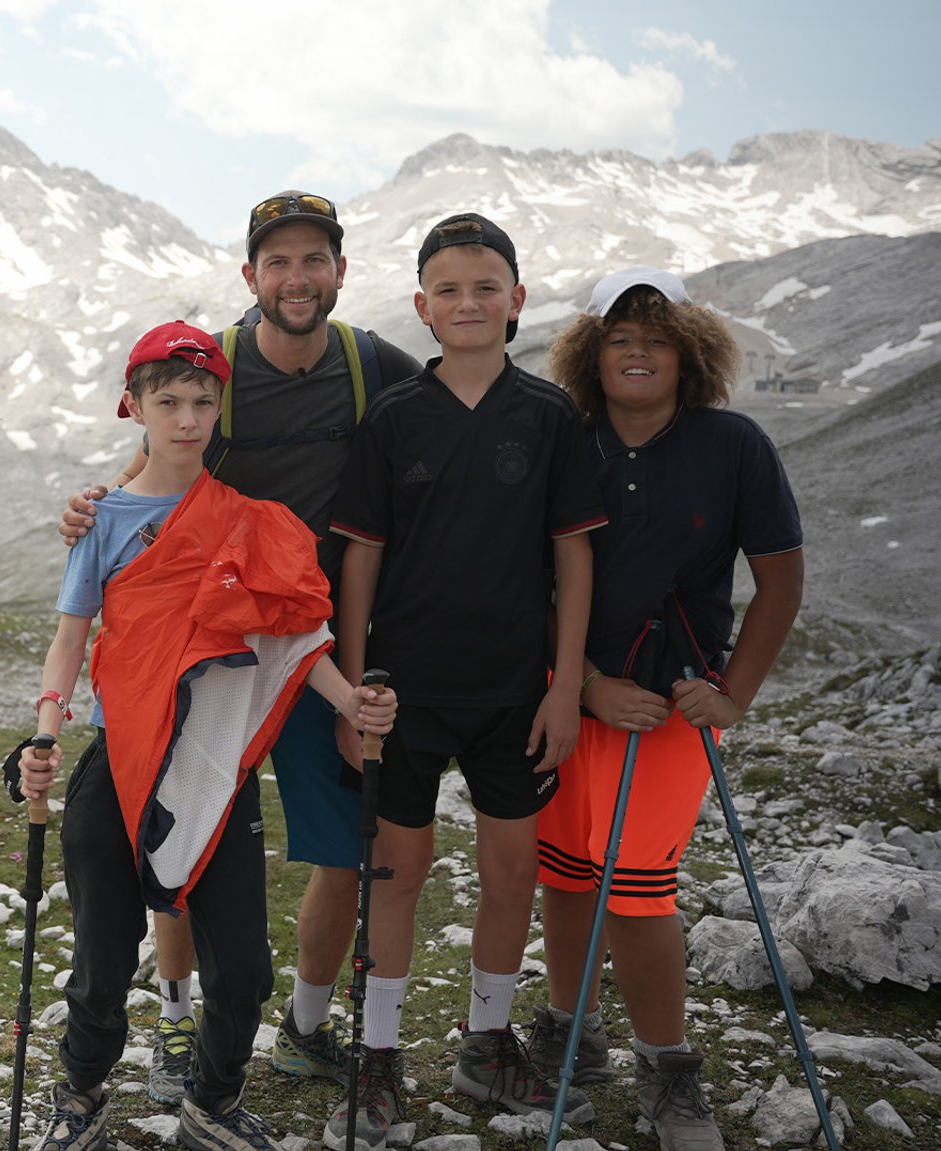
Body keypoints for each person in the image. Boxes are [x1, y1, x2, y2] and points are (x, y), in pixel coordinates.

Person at [61, 191, 423, 1106]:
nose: (296, 278)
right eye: (278, 262)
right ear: (251, 275)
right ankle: (179, 1020)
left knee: (337, 844)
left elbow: (437, 444)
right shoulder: (212, 360)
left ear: (340, 271)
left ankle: (301, 1029)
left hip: (304, 631)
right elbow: (159, 450)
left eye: (314, 261)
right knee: (179, 813)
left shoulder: (373, 362)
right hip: (207, 642)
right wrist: (97, 510)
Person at [18, 320, 397, 1151]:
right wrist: (45, 731)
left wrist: (349, 703)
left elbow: (296, 637)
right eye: (168, 401)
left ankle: (212, 1106)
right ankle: (80, 1096)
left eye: (201, 401)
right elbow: (71, 635)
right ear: (136, 407)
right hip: (117, 761)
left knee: (246, 970)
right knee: (101, 964)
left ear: (220, 408)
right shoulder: (104, 520)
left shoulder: (252, 520)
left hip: (214, 765)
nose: (186, 418)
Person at [324, 213, 606, 1149]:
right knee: (396, 871)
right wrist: (355, 687)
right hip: (403, 692)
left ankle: (486, 1041)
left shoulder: (552, 415)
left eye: (487, 286)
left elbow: (574, 558)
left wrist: (565, 687)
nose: (468, 302)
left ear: (518, 300)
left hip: (515, 693)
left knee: (511, 868)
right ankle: (378, 1052)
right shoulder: (395, 417)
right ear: (421, 307)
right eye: (447, 288)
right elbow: (358, 561)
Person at [533, 267, 803, 1151]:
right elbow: (516, 578)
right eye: (618, 337)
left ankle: (668, 1069)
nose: (638, 350)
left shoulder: (734, 444)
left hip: (674, 710)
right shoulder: (563, 439)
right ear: (591, 355)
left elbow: (780, 578)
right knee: (568, 877)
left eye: (656, 336)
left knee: (640, 888)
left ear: (690, 353)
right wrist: (578, 685)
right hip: (569, 701)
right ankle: (569, 1038)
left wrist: (732, 694)